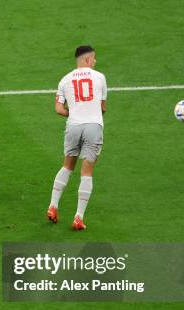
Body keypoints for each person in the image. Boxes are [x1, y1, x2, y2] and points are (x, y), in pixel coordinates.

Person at [47, 45, 107, 230]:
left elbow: (58, 108)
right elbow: (103, 108)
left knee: (67, 166)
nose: (95, 61)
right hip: (93, 126)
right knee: (86, 172)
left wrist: (74, 114)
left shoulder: (65, 80)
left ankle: (53, 206)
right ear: (88, 60)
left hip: (73, 125)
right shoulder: (99, 77)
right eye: (94, 58)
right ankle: (78, 218)